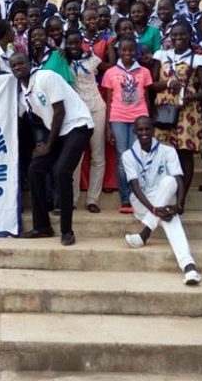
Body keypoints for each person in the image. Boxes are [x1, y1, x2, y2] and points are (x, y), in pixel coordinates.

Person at [12, 52, 93, 246]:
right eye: (13, 65)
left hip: (78, 125)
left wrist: (48, 144)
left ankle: (67, 231)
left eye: (21, 63)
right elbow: (17, 119)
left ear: (30, 63)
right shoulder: (23, 94)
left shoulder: (46, 77)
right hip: (59, 132)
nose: (17, 67)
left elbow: (59, 111)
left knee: (61, 172)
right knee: (35, 169)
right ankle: (42, 227)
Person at [121, 116, 202, 286]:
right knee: (167, 214)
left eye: (147, 129)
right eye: (140, 130)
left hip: (163, 197)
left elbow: (178, 179)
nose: (144, 132)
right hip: (142, 202)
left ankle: (189, 267)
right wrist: (153, 209)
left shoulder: (168, 151)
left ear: (153, 130)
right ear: (135, 132)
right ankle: (188, 266)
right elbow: (134, 186)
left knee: (169, 182)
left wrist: (179, 205)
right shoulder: (128, 155)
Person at [150, 22, 202, 201]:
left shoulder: (199, 58)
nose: (178, 38)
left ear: (190, 35)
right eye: (174, 34)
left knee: (184, 154)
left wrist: (190, 98)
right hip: (163, 109)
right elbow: (151, 85)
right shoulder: (161, 55)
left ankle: (180, 199)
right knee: (162, 153)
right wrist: (169, 83)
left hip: (187, 111)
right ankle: (162, 197)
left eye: (182, 34)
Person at [103, 35, 154, 213]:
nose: (127, 53)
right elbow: (109, 100)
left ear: (136, 52)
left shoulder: (144, 72)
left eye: (131, 50)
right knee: (122, 158)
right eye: (124, 50)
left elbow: (147, 98)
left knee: (137, 157)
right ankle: (125, 199)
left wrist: (149, 120)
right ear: (118, 51)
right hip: (117, 117)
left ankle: (137, 197)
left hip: (139, 118)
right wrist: (108, 127)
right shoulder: (110, 73)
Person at [65, 30, 106, 212]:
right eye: (70, 43)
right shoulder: (63, 61)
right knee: (76, 156)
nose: (73, 46)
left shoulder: (92, 58)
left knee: (98, 155)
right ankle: (73, 199)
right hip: (77, 113)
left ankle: (93, 199)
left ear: (81, 42)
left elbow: (109, 67)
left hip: (97, 108)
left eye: (76, 42)